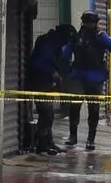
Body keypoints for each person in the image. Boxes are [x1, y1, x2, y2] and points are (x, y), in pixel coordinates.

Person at [63, 11, 111, 151]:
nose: (88, 25)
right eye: (86, 22)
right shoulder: (77, 36)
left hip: (95, 78)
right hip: (78, 76)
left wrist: (101, 35)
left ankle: (91, 139)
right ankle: (73, 136)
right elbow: (65, 53)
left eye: (91, 22)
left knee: (93, 109)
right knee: (74, 106)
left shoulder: (100, 36)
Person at [29, 24, 76, 155]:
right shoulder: (47, 44)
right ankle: (42, 144)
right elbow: (38, 63)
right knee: (46, 114)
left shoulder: (55, 45)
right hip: (40, 83)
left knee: (48, 114)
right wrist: (52, 73)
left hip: (47, 84)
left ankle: (48, 143)